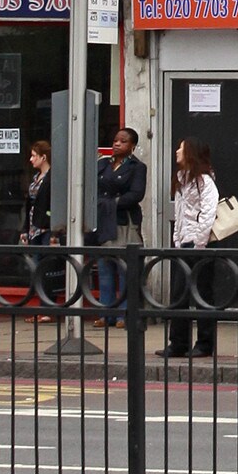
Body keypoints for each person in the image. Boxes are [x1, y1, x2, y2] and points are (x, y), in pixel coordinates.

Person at [166, 137, 221, 360]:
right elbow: (179, 213)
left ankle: (205, 344)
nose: (177, 151)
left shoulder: (205, 181)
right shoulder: (181, 178)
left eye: (181, 147)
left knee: (202, 295)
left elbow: (208, 212)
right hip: (184, 242)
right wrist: (177, 239)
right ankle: (177, 343)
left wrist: (199, 242)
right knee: (179, 295)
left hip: (200, 244)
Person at [94, 127, 148, 327]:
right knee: (105, 270)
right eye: (115, 140)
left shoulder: (137, 167)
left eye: (123, 141)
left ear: (132, 146)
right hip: (103, 223)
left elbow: (136, 194)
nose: (116, 143)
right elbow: (92, 188)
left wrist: (113, 203)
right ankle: (105, 313)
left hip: (124, 222)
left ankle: (124, 314)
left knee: (125, 270)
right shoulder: (102, 165)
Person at [20, 139, 53, 246]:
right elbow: (29, 205)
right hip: (33, 227)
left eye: (34, 156)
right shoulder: (35, 178)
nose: (31, 159)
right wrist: (25, 229)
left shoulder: (52, 178)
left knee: (44, 259)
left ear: (43, 157)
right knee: (34, 259)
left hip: (45, 228)